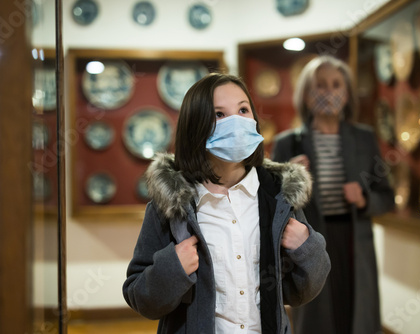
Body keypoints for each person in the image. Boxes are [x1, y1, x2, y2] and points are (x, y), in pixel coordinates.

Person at [123, 73, 331, 334]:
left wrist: (308, 249)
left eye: (243, 109)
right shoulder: (170, 205)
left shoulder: (279, 197)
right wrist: (172, 269)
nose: (236, 121)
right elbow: (140, 298)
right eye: (219, 114)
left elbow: (298, 293)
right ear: (195, 126)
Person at [272, 56, 395, 334]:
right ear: (305, 94)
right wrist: (289, 180)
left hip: (354, 243)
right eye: (320, 85)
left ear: (347, 92)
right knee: (316, 320)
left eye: (336, 84)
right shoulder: (287, 143)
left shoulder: (364, 138)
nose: (329, 92)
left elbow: (387, 196)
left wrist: (364, 199)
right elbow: (270, 205)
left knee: (357, 316)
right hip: (310, 243)